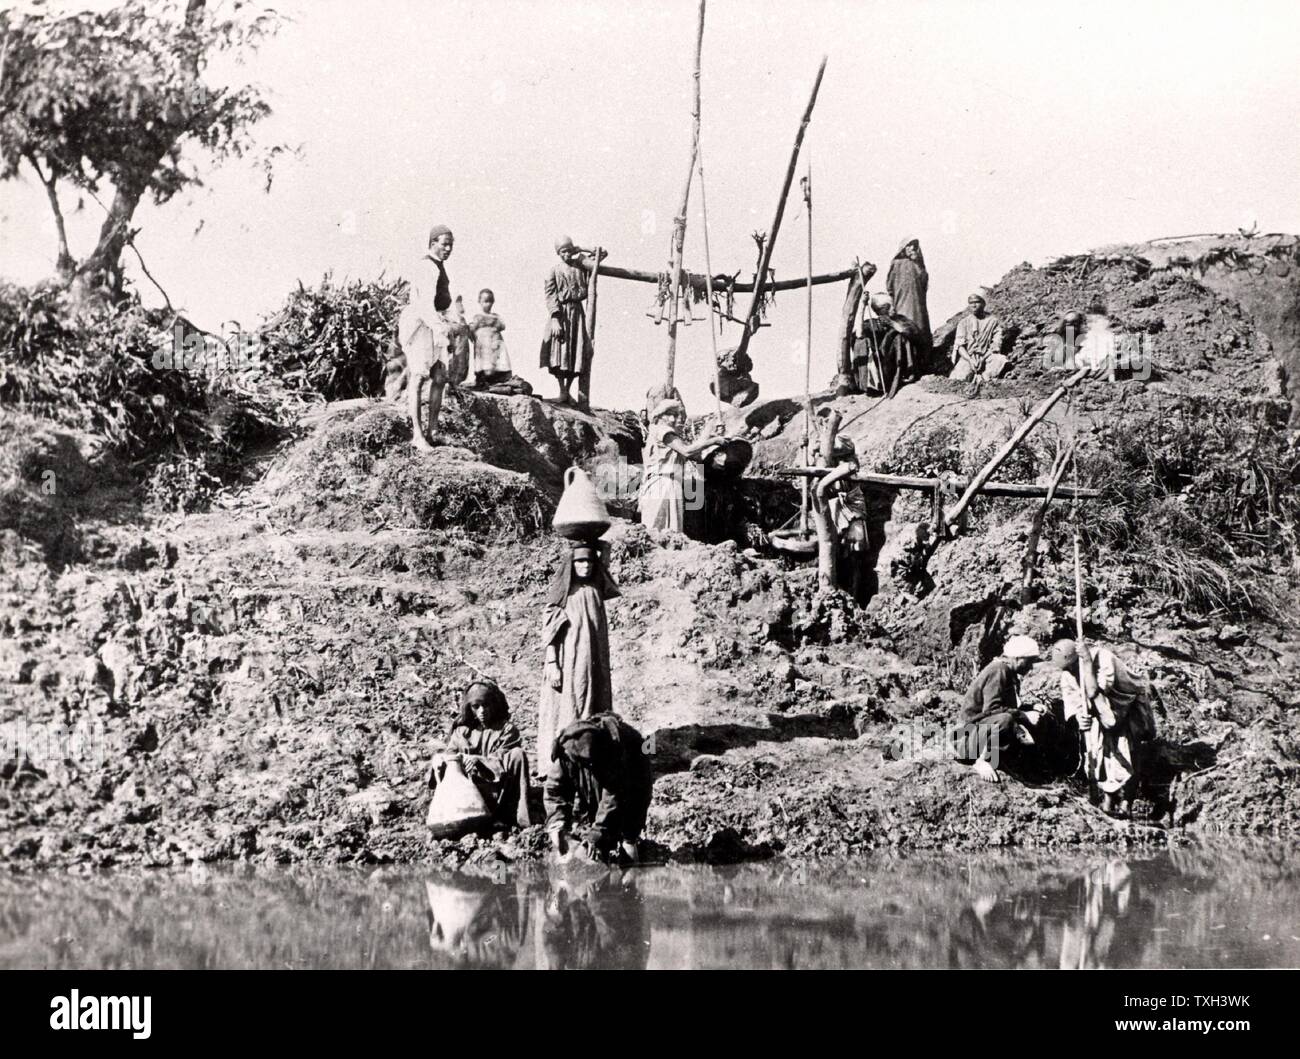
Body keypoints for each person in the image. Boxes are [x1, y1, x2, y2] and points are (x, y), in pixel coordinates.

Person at [537, 541, 620, 765]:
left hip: (595, 664)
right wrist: (552, 664)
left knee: (595, 705)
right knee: (571, 706)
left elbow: (605, 564)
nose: (586, 566)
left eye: (590, 561)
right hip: (570, 664)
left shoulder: (595, 590)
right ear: (571, 564)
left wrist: (599, 544)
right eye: (580, 561)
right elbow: (550, 634)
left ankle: (592, 755)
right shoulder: (563, 595)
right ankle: (564, 760)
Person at [1052, 637, 1152, 818]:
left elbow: (1095, 692)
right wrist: (1078, 717)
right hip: (1101, 711)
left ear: (1078, 659)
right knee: (1102, 753)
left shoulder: (1104, 659)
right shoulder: (1067, 673)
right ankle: (1108, 800)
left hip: (1127, 707)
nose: (1070, 672)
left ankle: (1127, 802)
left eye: (1072, 667)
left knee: (1129, 751)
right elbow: (1073, 702)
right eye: (1066, 669)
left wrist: (1088, 664)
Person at [544, 712, 653, 865]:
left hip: (634, 773)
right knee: (590, 814)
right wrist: (557, 824)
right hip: (602, 777)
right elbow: (554, 790)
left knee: (629, 830)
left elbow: (612, 798)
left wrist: (597, 834)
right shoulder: (566, 753)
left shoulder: (613, 749)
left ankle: (629, 855)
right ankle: (602, 846)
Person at [428, 680, 535, 828]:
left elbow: (503, 757)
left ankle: (516, 817)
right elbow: (450, 754)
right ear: (469, 708)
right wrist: (440, 759)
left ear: (494, 705)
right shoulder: (462, 733)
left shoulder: (507, 730)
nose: (482, 711)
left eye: (486, 705)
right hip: (470, 798)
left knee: (517, 754)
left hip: (499, 792)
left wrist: (479, 761)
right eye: (476, 706)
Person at [398, 223, 457, 449]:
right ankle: (417, 435)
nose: (448, 249)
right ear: (433, 244)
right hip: (422, 325)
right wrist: (439, 327)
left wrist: (451, 322)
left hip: (436, 322)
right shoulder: (427, 267)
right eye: (444, 245)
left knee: (440, 377)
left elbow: (443, 300)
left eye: (451, 245)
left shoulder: (440, 267)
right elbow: (424, 305)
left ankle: (433, 430)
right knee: (419, 377)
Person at [954, 635, 1045, 783]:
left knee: (1013, 721)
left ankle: (1001, 762)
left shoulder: (1008, 671)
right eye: (1029, 662)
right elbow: (993, 709)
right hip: (965, 741)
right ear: (1017, 658)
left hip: (977, 734)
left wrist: (1031, 707)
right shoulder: (999, 670)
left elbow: (1005, 705)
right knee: (1005, 720)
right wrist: (1024, 715)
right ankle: (981, 761)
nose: (1030, 667)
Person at [639, 398, 722, 534]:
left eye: (675, 415)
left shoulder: (670, 437)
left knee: (671, 532)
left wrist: (709, 429)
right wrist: (713, 440)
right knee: (655, 529)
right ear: (659, 416)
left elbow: (694, 453)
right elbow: (687, 451)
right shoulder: (662, 431)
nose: (673, 418)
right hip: (662, 483)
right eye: (669, 414)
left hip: (672, 484)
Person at [814, 434, 871, 602]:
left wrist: (825, 445)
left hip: (852, 505)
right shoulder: (822, 461)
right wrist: (816, 449)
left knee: (856, 550)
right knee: (836, 550)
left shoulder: (848, 456)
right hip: (834, 508)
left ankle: (856, 595)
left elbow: (844, 448)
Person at [540, 236, 593, 406]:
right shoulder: (554, 271)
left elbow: (601, 254)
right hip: (561, 314)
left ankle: (568, 391)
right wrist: (555, 319)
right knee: (559, 352)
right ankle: (562, 390)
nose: (566, 254)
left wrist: (580, 248)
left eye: (569, 250)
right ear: (558, 253)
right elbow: (550, 296)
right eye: (563, 251)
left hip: (577, 314)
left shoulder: (581, 267)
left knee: (574, 353)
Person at [886, 237, 931, 360]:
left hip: (918, 307)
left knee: (920, 330)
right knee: (905, 332)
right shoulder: (896, 264)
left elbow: (924, 284)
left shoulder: (919, 265)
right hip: (901, 306)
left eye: (914, 245)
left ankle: (922, 363)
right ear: (903, 248)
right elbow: (889, 287)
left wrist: (918, 264)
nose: (912, 248)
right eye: (909, 245)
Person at [950, 292, 1007, 382]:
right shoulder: (963, 323)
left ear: (983, 304)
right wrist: (970, 360)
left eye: (977, 302)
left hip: (987, 356)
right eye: (971, 303)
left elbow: (996, 344)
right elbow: (960, 346)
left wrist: (983, 358)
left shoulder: (993, 321)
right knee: (959, 378)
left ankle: (985, 377)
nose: (974, 305)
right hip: (968, 357)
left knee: (1000, 360)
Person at [469, 288, 512, 388]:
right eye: (485, 301)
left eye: (490, 301)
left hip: (495, 341)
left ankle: (498, 377)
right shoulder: (477, 317)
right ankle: (482, 378)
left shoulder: (496, 316)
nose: (487, 304)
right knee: (484, 361)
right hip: (483, 343)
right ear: (479, 301)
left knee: (498, 359)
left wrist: (495, 327)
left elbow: (502, 326)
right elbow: (471, 329)